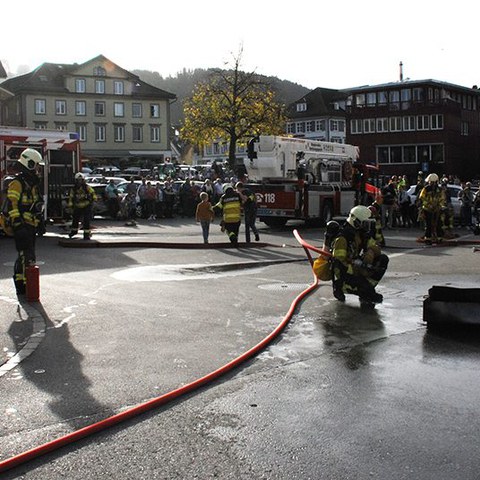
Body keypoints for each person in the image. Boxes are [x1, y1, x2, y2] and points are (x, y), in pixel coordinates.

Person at [330, 205, 389, 307]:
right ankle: (343, 289)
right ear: (356, 222)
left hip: (357, 268)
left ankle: (367, 286)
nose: (367, 226)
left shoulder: (360, 234)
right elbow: (338, 264)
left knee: (383, 259)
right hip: (344, 276)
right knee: (373, 298)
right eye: (365, 223)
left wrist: (371, 251)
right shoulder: (342, 239)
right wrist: (357, 269)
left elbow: (376, 248)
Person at [6, 148, 45, 295]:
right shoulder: (18, 183)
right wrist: (17, 224)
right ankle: (21, 285)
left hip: (30, 225)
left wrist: (40, 221)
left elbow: (35, 204)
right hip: (22, 225)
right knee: (25, 256)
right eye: (36, 165)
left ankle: (25, 284)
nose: (37, 169)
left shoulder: (32, 183)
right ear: (29, 164)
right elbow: (12, 203)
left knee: (28, 256)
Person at [418, 173, 445, 245]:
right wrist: (429, 205)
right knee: (429, 224)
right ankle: (428, 238)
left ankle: (439, 237)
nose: (431, 183)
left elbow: (442, 198)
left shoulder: (439, 189)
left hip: (436, 209)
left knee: (438, 223)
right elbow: (422, 198)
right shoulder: (426, 189)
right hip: (427, 209)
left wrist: (439, 206)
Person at [67, 172, 97, 240]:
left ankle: (86, 235)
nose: (79, 181)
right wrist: (70, 206)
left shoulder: (87, 187)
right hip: (77, 206)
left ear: (83, 180)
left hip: (86, 205)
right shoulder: (74, 189)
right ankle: (73, 232)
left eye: (81, 180)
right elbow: (71, 197)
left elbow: (93, 193)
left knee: (86, 220)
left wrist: (94, 200)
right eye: (78, 180)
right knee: (75, 219)